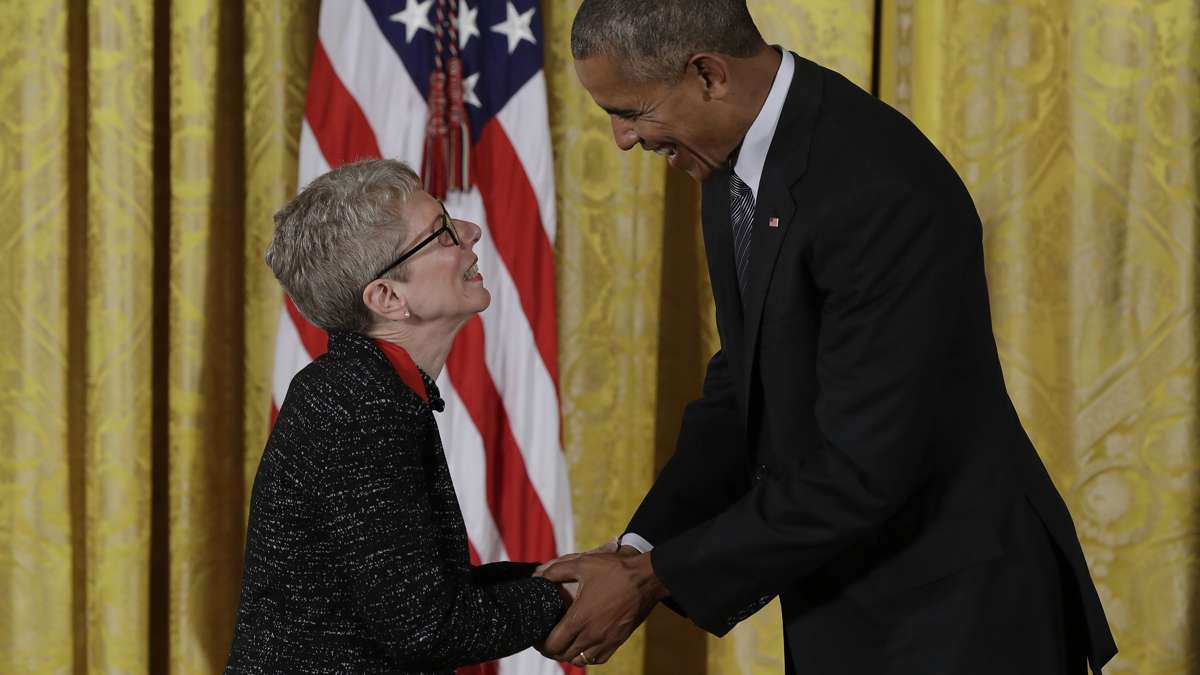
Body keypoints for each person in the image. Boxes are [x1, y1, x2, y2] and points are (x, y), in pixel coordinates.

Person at [536, 2, 1118, 673]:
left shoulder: (877, 187)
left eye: (632, 111)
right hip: (847, 601)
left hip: (958, 618)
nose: (621, 138)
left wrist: (655, 576)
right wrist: (638, 550)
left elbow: (861, 470)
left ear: (708, 75)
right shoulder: (730, 156)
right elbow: (744, 384)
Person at [225, 159, 569, 674]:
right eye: (444, 233)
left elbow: (420, 593)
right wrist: (568, 596)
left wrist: (558, 577)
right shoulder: (357, 402)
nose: (472, 232)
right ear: (387, 297)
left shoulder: (365, 387)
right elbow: (427, 629)